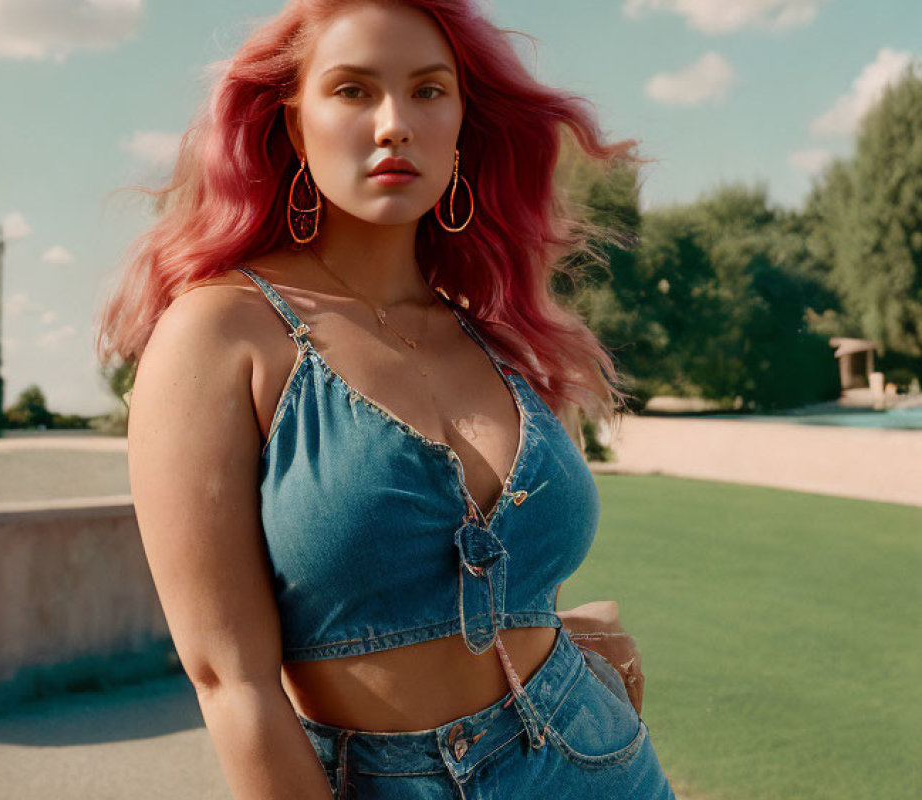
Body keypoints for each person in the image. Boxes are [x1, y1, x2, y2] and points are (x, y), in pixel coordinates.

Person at [96, 1, 676, 797]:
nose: (394, 123)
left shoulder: (494, 339)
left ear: (462, 126)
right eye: (353, 90)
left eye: (429, 91)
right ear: (294, 125)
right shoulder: (221, 336)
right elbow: (233, 685)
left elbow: (490, 584)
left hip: (596, 761)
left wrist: (572, 639)